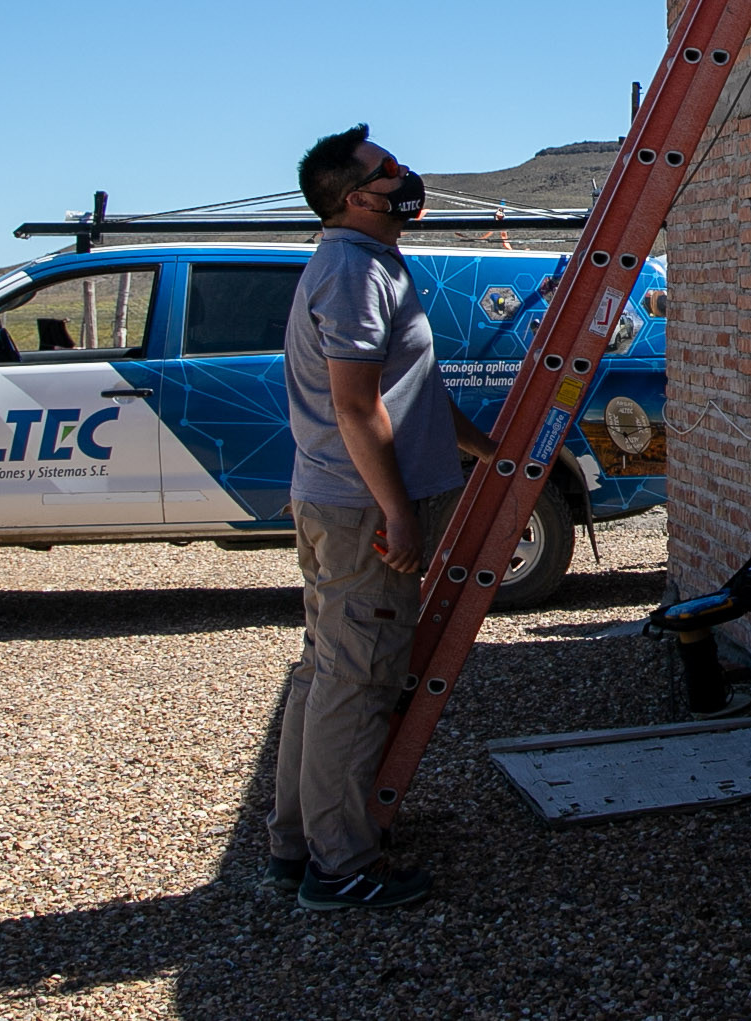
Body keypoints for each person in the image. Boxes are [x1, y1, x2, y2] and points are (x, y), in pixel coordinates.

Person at [267, 123, 494, 911]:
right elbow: (357, 408)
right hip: (361, 510)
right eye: (385, 169)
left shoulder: (368, 260)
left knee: (327, 669)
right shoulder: (352, 270)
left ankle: (294, 840)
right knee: (357, 682)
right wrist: (396, 512)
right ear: (352, 198)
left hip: (347, 504)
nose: (404, 174)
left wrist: (483, 447)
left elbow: (412, 390)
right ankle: (338, 868)